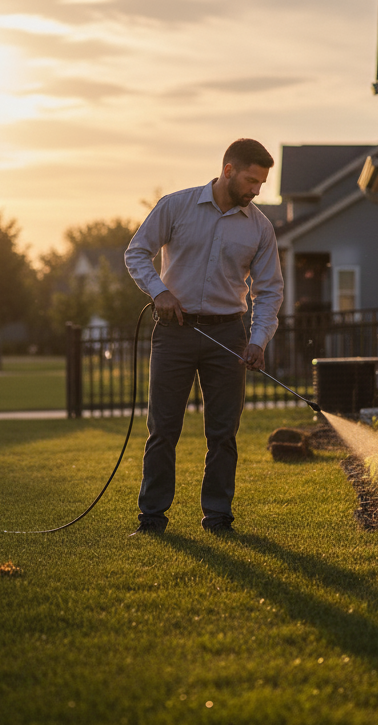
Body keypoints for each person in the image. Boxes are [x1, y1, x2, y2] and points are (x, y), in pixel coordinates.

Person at [124, 139, 284, 535]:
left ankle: (217, 517)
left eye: (261, 183)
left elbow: (270, 291)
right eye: (251, 180)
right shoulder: (175, 206)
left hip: (229, 335)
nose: (256, 190)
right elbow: (136, 252)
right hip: (174, 332)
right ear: (228, 170)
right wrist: (158, 291)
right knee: (162, 430)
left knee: (223, 433)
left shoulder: (260, 228)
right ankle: (152, 518)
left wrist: (258, 340)